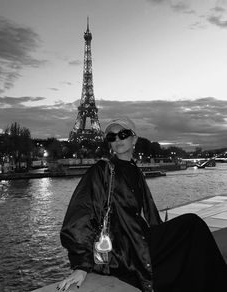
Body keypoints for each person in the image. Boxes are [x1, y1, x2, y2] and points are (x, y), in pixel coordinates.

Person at [58, 117, 227, 292]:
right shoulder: (102, 170)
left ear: (134, 139)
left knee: (193, 227)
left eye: (123, 134)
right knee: (192, 226)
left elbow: (149, 214)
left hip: (140, 238)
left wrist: (162, 235)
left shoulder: (135, 170)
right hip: (121, 249)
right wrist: (81, 265)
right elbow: (80, 215)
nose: (117, 140)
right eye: (111, 137)